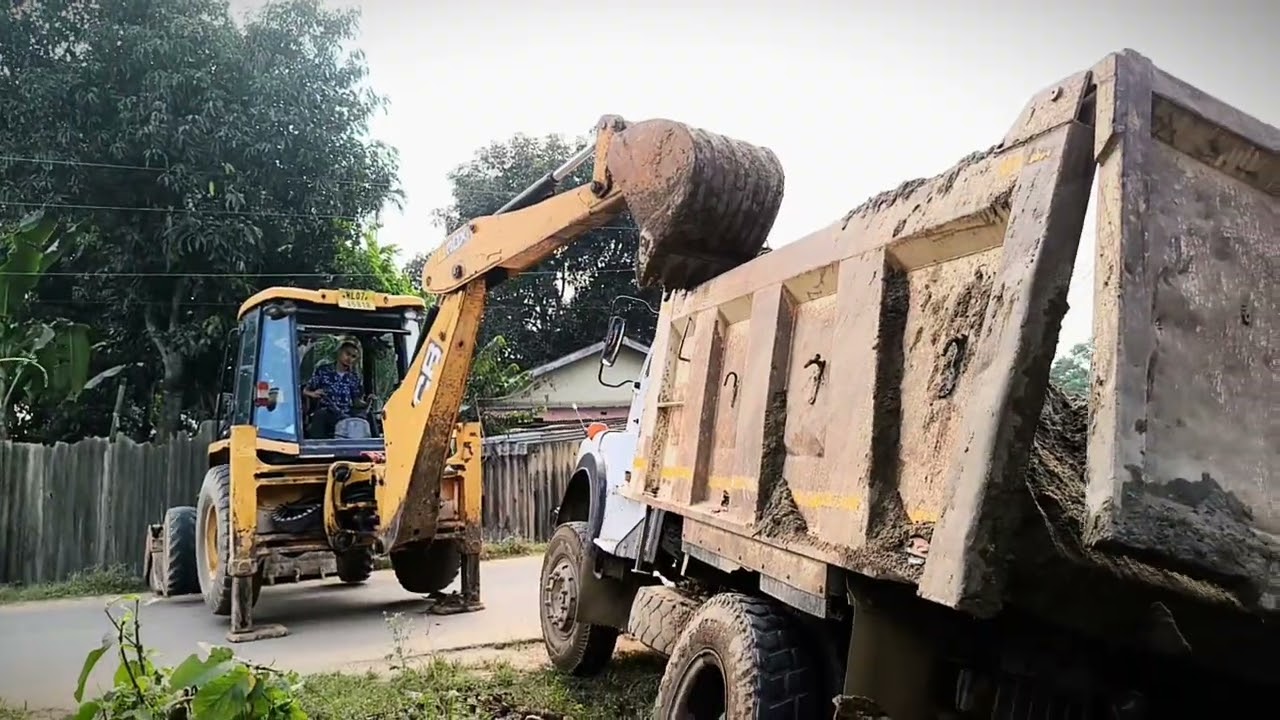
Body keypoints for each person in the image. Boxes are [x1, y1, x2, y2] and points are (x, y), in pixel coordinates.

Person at [302, 339, 368, 438]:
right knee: (320, 415)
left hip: (346, 413)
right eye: (347, 354)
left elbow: (356, 401)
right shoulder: (323, 371)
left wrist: (367, 402)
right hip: (328, 411)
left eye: (353, 357)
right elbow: (305, 391)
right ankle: (318, 447)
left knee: (366, 418)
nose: (349, 358)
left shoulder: (354, 378)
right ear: (340, 352)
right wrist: (313, 394)